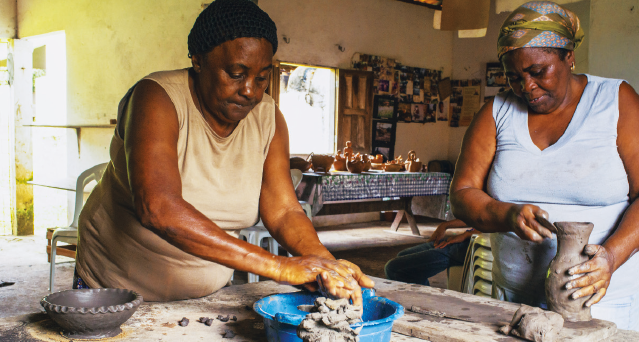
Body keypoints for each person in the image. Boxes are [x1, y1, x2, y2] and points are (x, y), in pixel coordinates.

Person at [75, 0, 373, 304]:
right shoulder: (157, 98)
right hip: (112, 293)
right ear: (198, 60)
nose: (250, 91)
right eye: (235, 73)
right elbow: (158, 207)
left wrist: (326, 265)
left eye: (261, 77)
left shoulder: (268, 118)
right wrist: (279, 266)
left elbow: (284, 211)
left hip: (204, 297)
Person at [450, 1, 639, 330]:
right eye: (513, 77)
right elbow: (463, 193)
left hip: (604, 302)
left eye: (537, 72)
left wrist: (609, 257)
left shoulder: (615, 100)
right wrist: (507, 214)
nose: (526, 86)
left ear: (569, 56)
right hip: (513, 301)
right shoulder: (496, 113)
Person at [384, 219, 476, 286]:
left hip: (470, 247)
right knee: (402, 256)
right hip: (465, 241)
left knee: (393, 268)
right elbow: (478, 218)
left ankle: (421, 302)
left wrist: (467, 234)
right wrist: (444, 225)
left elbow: (489, 224)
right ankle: (422, 298)